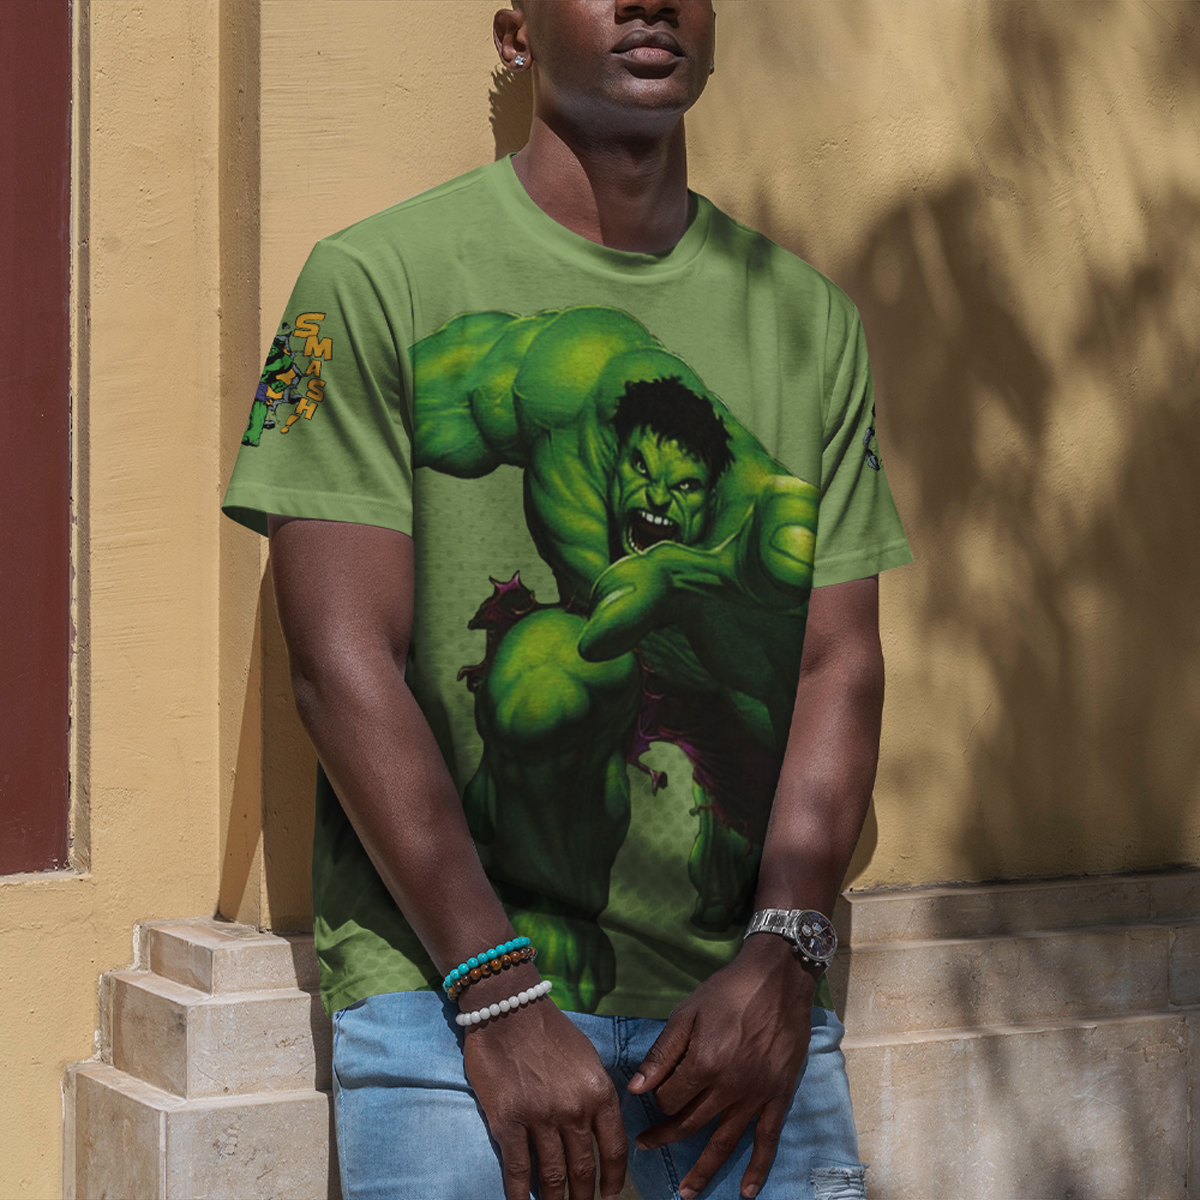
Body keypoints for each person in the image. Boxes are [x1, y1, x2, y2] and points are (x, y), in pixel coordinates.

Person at [222, 3, 912, 1198]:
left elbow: (838, 663)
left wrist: (783, 955)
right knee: (545, 672)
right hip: (449, 1001)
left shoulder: (810, 323)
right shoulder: (362, 284)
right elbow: (337, 662)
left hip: (740, 1013)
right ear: (515, 36)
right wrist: (497, 993)